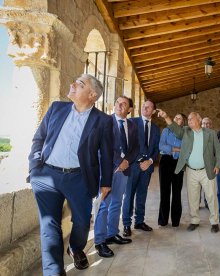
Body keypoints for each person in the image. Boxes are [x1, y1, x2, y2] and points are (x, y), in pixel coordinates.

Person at [28, 74, 113, 275]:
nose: (72, 84)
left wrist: (106, 182)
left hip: (79, 178)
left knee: (83, 222)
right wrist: (34, 167)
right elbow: (39, 138)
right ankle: (54, 271)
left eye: (80, 84)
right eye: (74, 80)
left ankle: (75, 248)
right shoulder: (57, 108)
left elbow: (107, 154)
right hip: (46, 176)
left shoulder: (102, 120)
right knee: (49, 226)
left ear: (92, 95)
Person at [157, 109, 220, 233]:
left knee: (211, 196)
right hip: (191, 171)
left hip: (206, 170)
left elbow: (218, 150)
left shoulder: (210, 133)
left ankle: (214, 222)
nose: (189, 120)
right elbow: (174, 128)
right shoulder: (186, 132)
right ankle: (194, 221)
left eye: (191, 118)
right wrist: (166, 116)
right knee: (192, 197)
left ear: (199, 120)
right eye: (189, 119)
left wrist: (218, 165)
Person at [94, 96, 138, 258]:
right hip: (107, 169)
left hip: (124, 170)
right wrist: (120, 161)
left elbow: (135, 147)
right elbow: (103, 145)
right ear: (114, 105)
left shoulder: (132, 125)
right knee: (103, 204)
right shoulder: (105, 121)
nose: (120, 105)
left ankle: (111, 234)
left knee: (117, 203)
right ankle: (99, 241)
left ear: (130, 109)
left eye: (124, 104)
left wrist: (127, 161)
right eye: (117, 103)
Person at [122, 100, 160, 235]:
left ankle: (139, 222)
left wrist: (149, 161)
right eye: (144, 105)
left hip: (147, 168)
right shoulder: (131, 122)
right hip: (133, 166)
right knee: (129, 195)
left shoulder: (155, 128)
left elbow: (156, 149)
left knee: (142, 195)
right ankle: (126, 224)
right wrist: (136, 161)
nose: (145, 107)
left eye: (149, 106)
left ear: (153, 111)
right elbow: (127, 144)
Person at [158, 113, 187, 227]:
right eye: (175, 117)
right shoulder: (166, 131)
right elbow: (161, 146)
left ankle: (176, 221)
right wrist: (176, 148)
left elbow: (185, 147)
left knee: (177, 192)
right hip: (165, 161)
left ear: (183, 122)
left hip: (178, 163)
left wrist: (171, 149)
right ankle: (163, 220)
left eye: (179, 118)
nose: (176, 119)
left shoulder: (185, 133)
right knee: (164, 192)